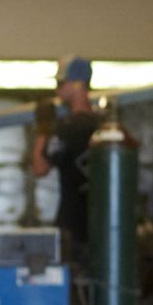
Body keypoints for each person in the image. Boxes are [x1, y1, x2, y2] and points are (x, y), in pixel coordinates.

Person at [31, 56, 105, 258]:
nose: (57, 89)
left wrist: (43, 127)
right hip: (106, 230)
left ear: (78, 85)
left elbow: (40, 168)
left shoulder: (66, 128)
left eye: (61, 83)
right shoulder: (104, 126)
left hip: (74, 232)